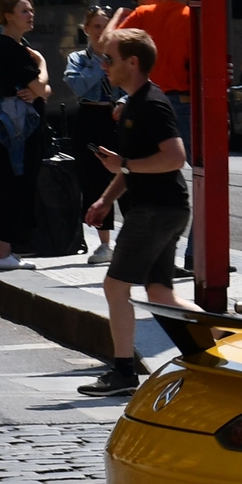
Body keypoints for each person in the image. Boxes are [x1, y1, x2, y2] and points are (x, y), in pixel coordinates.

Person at [77, 28, 187, 398]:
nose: (104, 65)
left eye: (110, 59)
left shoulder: (151, 104)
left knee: (114, 285)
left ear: (133, 62)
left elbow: (174, 158)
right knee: (159, 293)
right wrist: (106, 200)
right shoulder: (132, 104)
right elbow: (131, 167)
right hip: (161, 208)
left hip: (156, 209)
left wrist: (122, 163)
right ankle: (231, 343)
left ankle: (124, 371)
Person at [0, 0, 51, 272]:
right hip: (19, 127)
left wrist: (39, 90)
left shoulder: (13, 47)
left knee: (11, 183)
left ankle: (3, 250)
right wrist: (43, 64)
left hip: (14, 125)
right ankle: (2, 252)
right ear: (8, 16)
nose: (30, 14)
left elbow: (41, 91)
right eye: (24, 10)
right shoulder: (12, 48)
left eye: (31, 9)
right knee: (15, 185)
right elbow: (43, 89)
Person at [113, 0, 196, 131]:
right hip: (180, 100)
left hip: (146, 97)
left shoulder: (143, 13)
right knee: (182, 156)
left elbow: (111, 42)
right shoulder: (192, 18)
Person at [65, 8, 119, 265]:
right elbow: (78, 85)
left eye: (106, 26)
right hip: (89, 118)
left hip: (116, 117)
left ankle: (134, 240)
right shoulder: (78, 58)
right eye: (96, 26)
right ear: (86, 29)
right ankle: (105, 243)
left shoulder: (121, 56)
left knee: (127, 178)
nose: (101, 32)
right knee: (96, 182)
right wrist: (101, 63)